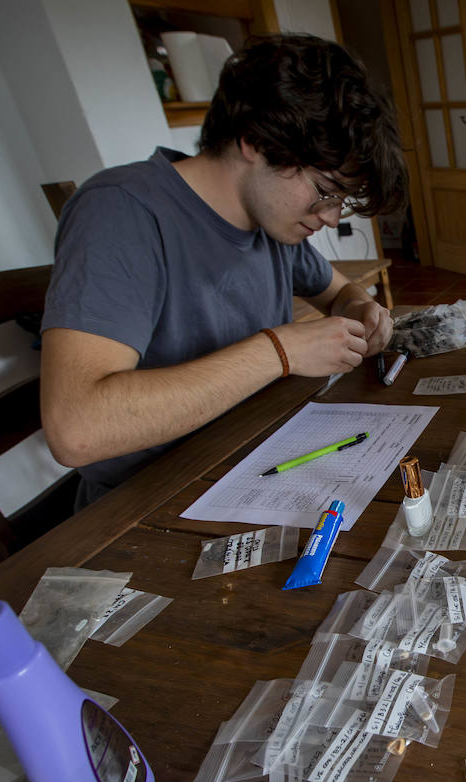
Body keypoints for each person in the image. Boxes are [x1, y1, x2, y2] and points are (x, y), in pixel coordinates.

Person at [41, 34, 406, 508]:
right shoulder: (121, 211)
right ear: (255, 140)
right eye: (325, 191)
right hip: (151, 499)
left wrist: (360, 305)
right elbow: (78, 428)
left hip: (256, 455)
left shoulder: (271, 222)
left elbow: (338, 294)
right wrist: (279, 351)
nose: (332, 218)